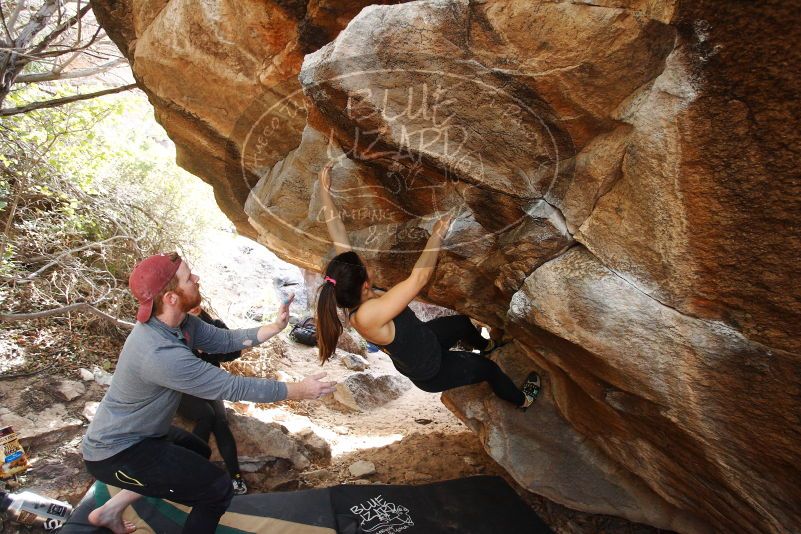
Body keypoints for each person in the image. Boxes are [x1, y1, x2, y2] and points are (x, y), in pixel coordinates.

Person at [81, 253, 336, 534]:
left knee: (198, 449)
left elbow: (223, 340)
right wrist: (300, 390)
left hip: (142, 435)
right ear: (171, 298)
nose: (196, 280)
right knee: (216, 489)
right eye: (189, 279)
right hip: (117, 452)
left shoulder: (179, 324)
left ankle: (109, 511)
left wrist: (275, 327)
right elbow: (233, 387)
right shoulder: (158, 352)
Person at [315, 160, 540, 409]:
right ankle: (523, 400)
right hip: (432, 370)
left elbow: (338, 233)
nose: (364, 259)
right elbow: (418, 279)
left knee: (462, 324)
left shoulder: (352, 289)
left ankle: (488, 345)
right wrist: (436, 236)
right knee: (488, 369)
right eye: (363, 264)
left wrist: (325, 191)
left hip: (426, 339)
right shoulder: (367, 316)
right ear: (364, 285)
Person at [176, 306, 248, 495]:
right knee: (206, 415)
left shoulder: (212, 325)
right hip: (182, 385)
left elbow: (233, 351)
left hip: (209, 383)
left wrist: (210, 348)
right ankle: (191, 474)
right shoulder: (173, 326)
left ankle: (236, 478)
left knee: (221, 422)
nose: (192, 309)